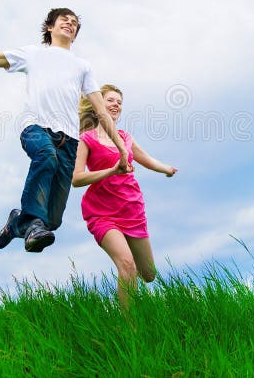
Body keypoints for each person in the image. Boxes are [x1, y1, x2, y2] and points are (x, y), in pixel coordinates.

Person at [0, 8, 131, 253]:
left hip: (69, 140)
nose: (70, 25)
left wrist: (122, 149)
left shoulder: (82, 66)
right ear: (50, 27)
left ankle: (17, 223)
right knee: (46, 157)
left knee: (52, 221)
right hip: (35, 127)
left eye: (74, 24)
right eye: (65, 20)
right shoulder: (32, 54)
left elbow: (101, 112)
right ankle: (29, 223)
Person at [72, 84, 177, 306]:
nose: (116, 105)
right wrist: (112, 170)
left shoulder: (125, 137)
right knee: (127, 264)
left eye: (119, 102)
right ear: (98, 104)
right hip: (102, 213)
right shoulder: (87, 139)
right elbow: (76, 178)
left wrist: (166, 169)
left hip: (131, 209)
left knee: (149, 274)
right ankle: (130, 329)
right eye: (110, 100)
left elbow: (145, 158)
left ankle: (130, 288)